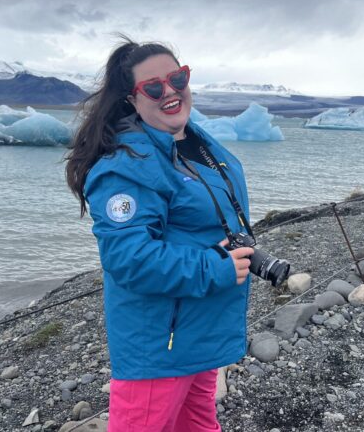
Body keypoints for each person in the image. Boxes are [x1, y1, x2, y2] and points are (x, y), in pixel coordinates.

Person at [66, 37, 254, 432]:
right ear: (132, 100)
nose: (169, 91)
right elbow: (127, 257)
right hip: (160, 343)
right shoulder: (127, 166)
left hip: (201, 325)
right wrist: (212, 266)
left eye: (177, 78)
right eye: (153, 87)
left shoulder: (195, 144)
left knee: (199, 422)